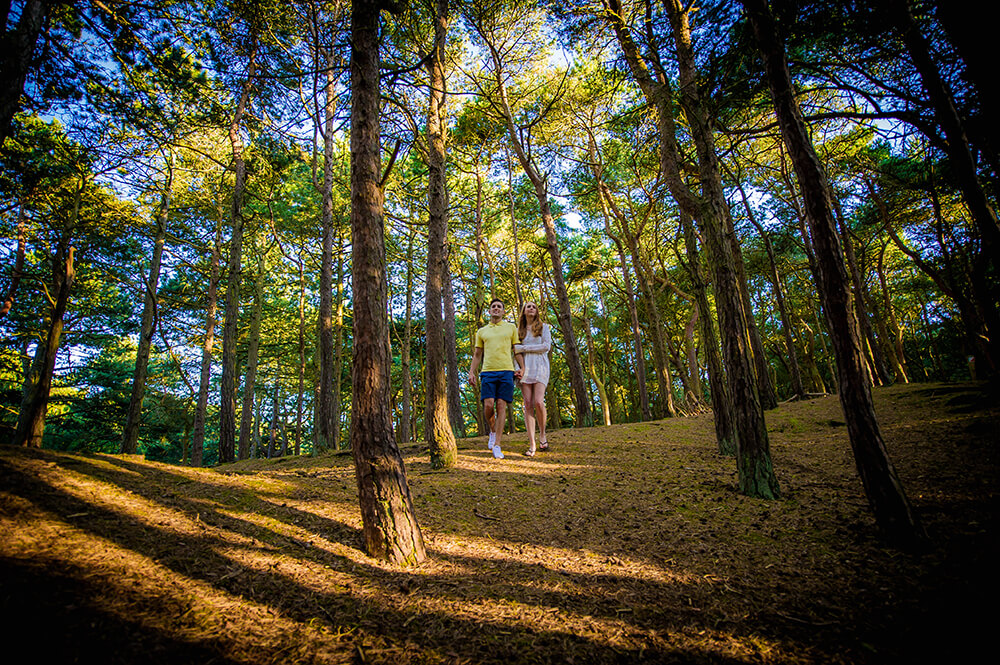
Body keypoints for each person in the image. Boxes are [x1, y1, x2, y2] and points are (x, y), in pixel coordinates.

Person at [467, 298, 524, 459]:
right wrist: (472, 372)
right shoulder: (482, 331)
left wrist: (522, 367)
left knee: (501, 405)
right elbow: (477, 354)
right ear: (490, 311)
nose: (496, 309)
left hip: (507, 371)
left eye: (499, 306)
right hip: (488, 372)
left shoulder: (511, 327)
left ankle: (497, 444)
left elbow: (516, 350)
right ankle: (492, 430)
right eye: (493, 307)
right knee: (488, 405)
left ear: (503, 311)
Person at [515, 301, 551, 456]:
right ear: (523, 312)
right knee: (528, 404)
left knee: (538, 401)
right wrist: (517, 369)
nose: (531, 308)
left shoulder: (545, 328)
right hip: (525, 369)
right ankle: (532, 444)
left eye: (534, 307)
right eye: (528, 307)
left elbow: (546, 346)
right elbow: (514, 352)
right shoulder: (518, 331)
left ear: (537, 311)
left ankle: (542, 434)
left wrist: (525, 348)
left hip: (541, 367)